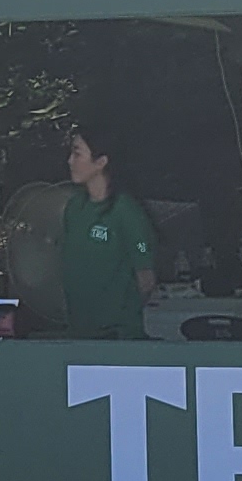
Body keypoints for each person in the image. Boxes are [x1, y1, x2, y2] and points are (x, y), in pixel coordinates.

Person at [57, 122, 159, 344]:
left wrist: (120, 310)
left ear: (101, 162)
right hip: (78, 334)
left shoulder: (126, 211)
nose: (70, 161)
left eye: (77, 154)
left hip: (117, 338)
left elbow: (145, 275)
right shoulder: (74, 208)